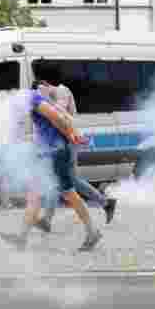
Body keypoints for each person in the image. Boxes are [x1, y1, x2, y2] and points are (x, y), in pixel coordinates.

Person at [0, 84, 102, 252]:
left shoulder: (32, 98)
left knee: (68, 193)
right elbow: (60, 118)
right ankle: (21, 238)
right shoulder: (33, 99)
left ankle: (92, 232)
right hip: (47, 153)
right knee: (35, 194)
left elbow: (57, 118)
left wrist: (71, 136)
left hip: (56, 152)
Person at [35, 82, 118, 230]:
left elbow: (62, 114)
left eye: (40, 91)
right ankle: (46, 220)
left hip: (69, 140)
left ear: (45, 85)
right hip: (63, 141)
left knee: (71, 179)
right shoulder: (54, 94)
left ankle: (106, 203)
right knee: (56, 180)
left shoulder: (61, 91)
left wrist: (47, 100)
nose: (40, 96)